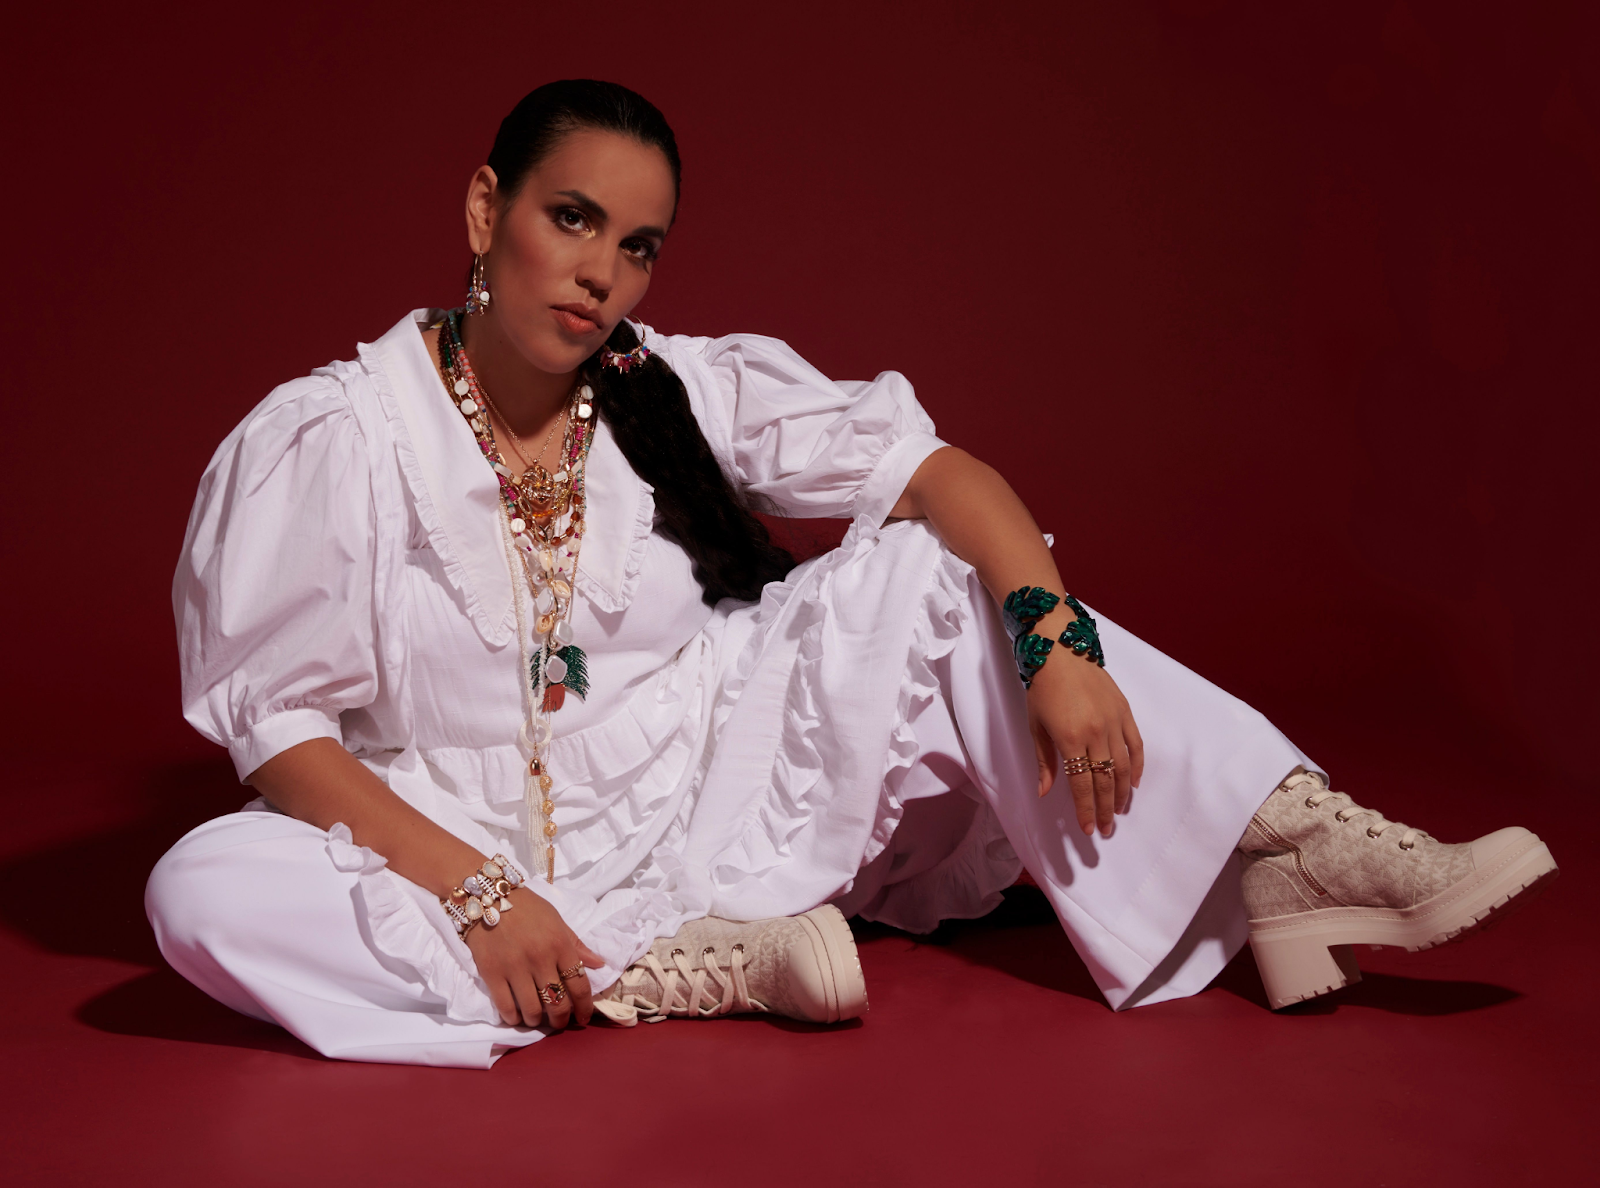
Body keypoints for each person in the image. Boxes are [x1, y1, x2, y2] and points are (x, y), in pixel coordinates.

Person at [146, 80, 1557, 1069]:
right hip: (451, 839)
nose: (601, 275)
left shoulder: (671, 388)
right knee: (204, 891)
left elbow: (937, 477)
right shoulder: (336, 437)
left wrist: (1055, 637)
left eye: (637, 247)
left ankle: (1288, 839)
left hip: (695, 789)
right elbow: (280, 732)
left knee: (932, 576)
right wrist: (477, 894)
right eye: (570, 219)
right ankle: (669, 968)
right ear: (483, 207)